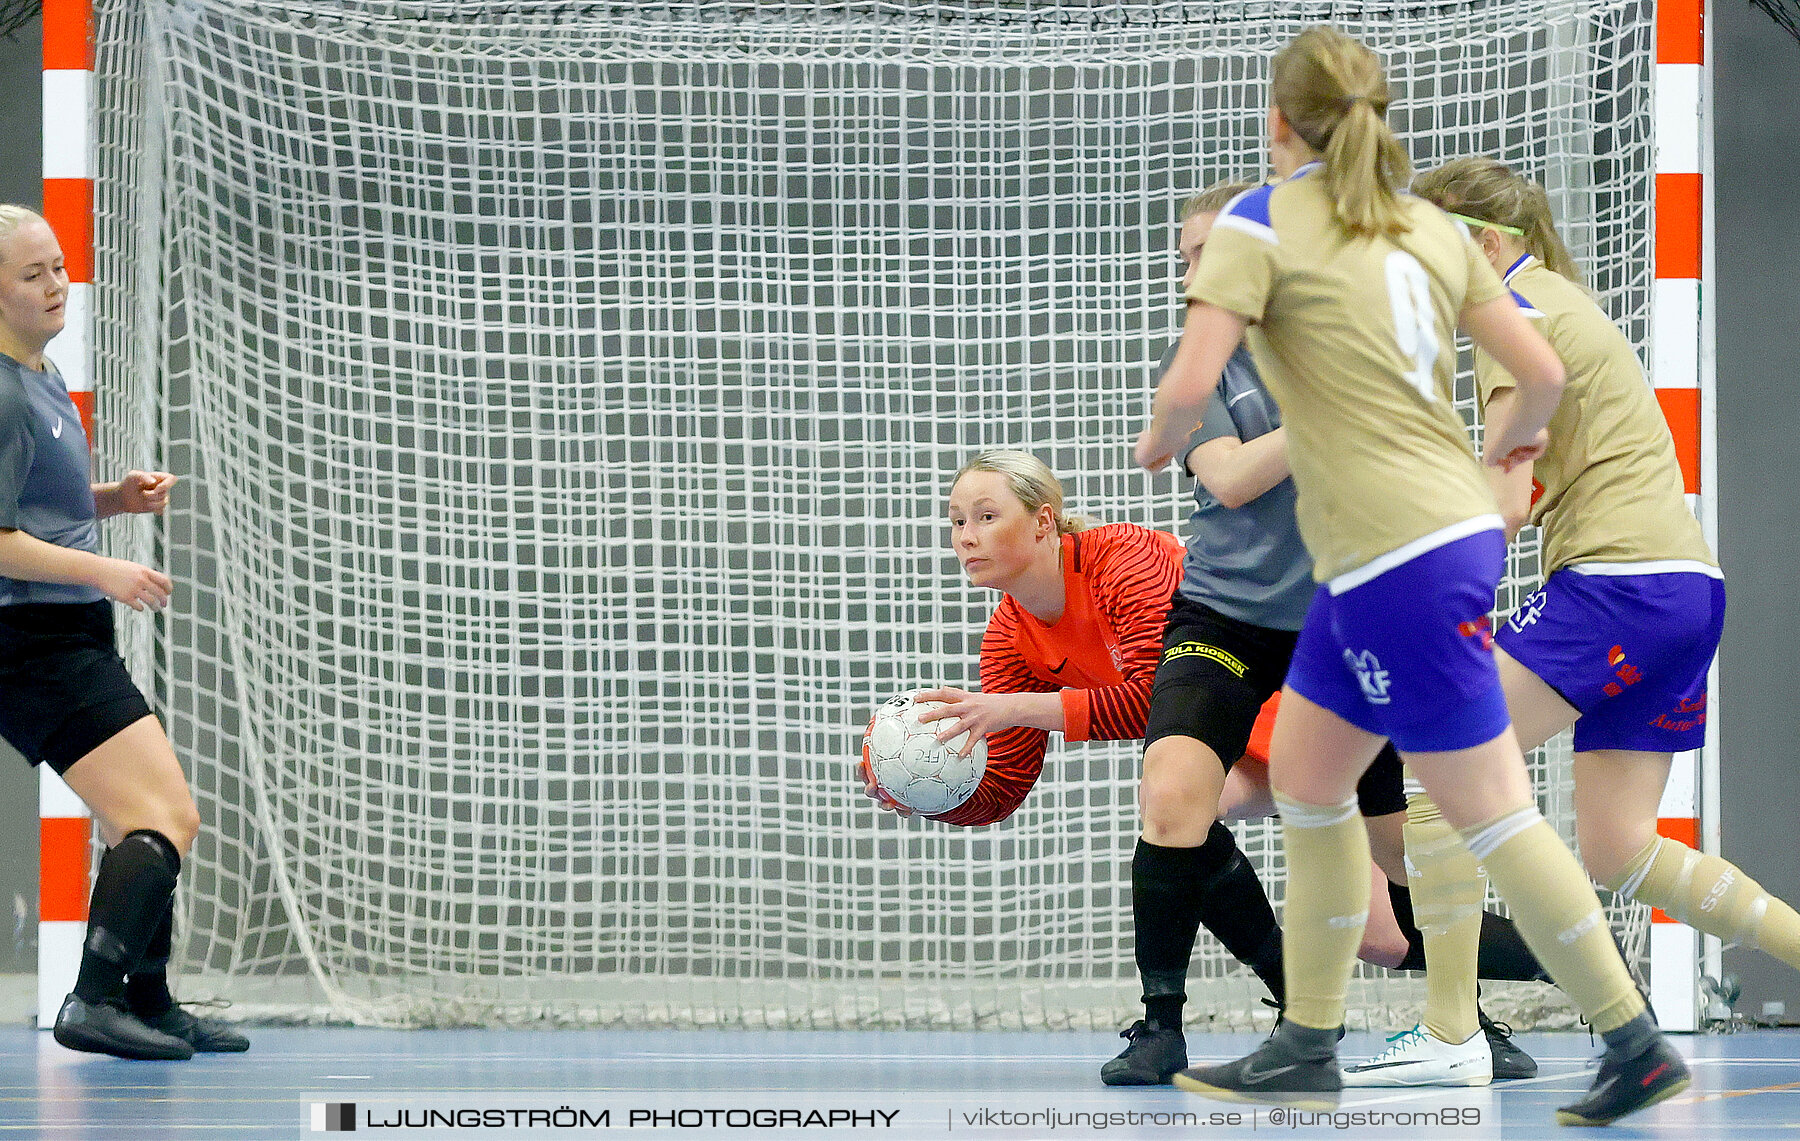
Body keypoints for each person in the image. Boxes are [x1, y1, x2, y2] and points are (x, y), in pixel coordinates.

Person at [1137, 29, 1687, 1126]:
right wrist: (1509, 462)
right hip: (1405, 548)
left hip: (1393, 557)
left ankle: (1633, 1040)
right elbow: (1535, 372)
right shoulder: (1430, 227)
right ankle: (1308, 1036)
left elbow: (1190, 383)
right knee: (1305, 779)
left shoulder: (1264, 220)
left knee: (1487, 810)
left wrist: (1161, 437)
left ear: (1278, 124)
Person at [861, 440, 1546, 1087]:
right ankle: (1194, 1022)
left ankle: (1540, 980)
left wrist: (1018, 709)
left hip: (1307, 706)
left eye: (985, 515)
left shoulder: (1122, 558)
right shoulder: (1011, 635)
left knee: (1383, 930)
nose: (966, 535)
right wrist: (932, 795)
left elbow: (1162, 703)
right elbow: (1006, 781)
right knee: (1176, 805)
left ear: (1043, 522)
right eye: (956, 521)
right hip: (1231, 744)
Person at [1335, 156, 1800, 1085]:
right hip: (1683, 585)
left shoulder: (1515, 314)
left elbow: (1498, 487)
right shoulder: (1551, 302)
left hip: (1620, 583)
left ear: (1488, 243)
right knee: (1619, 845)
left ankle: (1450, 1031)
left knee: (1437, 762)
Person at [0, 205, 248, 1060]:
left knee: (137, 823)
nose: (57, 283)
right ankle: (93, 1000)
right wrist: (111, 570)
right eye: (33, 275)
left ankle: (149, 1000)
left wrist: (115, 500)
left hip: (69, 634)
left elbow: (41, 507)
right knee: (166, 814)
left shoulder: (40, 370)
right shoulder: (0, 393)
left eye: (58, 266)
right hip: (32, 645)